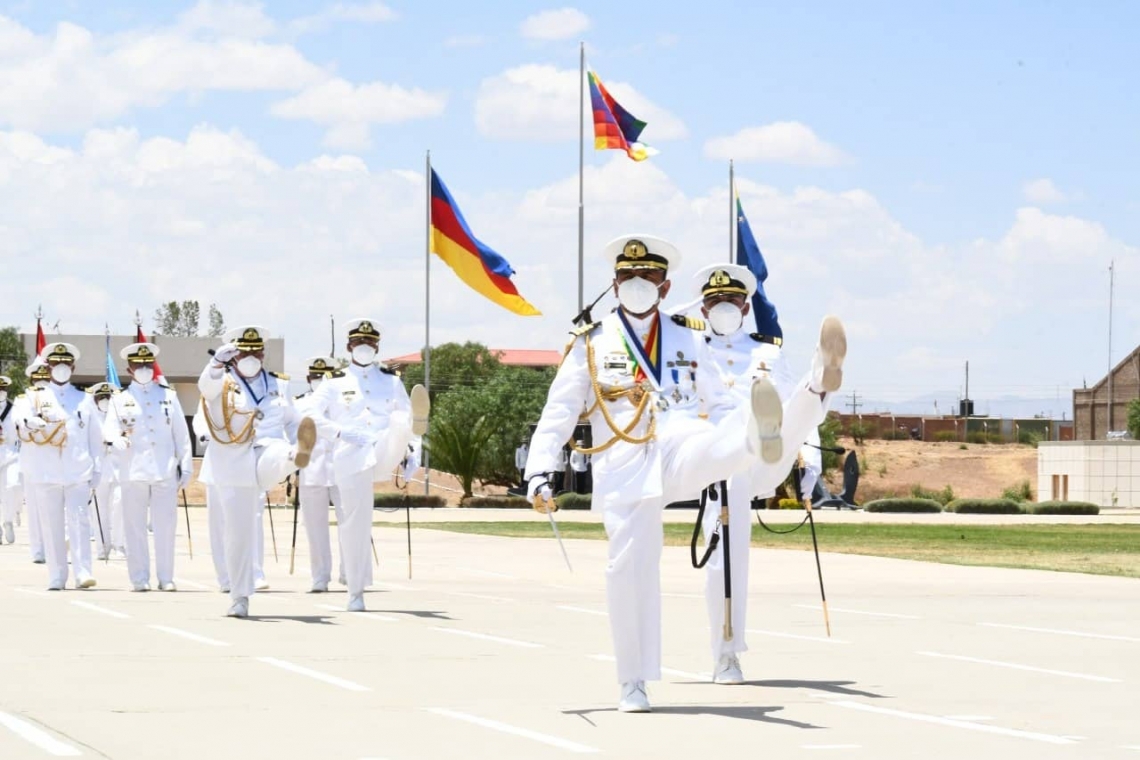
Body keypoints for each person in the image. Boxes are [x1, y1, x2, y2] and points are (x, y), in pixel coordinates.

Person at [524, 234, 845, 713]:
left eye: (647, 277)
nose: (638, 285)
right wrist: (538, 471)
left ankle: (781, 414)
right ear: (614, 285)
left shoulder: (689, 336)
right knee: (628, 569)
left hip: (678, 443)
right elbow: (559, 412)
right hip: (626, 460)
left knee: (726, 441)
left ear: (665, 285)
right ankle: (632, 681)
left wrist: (734, 433)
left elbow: (716, 403)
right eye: (629, 278)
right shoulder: (590, 344)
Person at [686, 263, 842, 684]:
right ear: (703, 305)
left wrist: (811, 463)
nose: (724, 307)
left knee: (794, 405)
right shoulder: (690, 350)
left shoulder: (768, 352)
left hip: (766, 459)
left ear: (746, 304)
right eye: (715, 301)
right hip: (719, 461)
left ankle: (820, 379)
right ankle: (726, 655)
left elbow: (800, 423)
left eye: (732, 300)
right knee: (726, 557)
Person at [309, 318, 428, 612]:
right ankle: (355, 590)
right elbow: (312, 416)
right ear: (350, 347)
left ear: (377, 347)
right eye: (360, 343)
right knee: (356, 523)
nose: (365, 347)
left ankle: (406, 444)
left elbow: (405, 414)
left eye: (370, 343)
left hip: (383, 446)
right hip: (351, 453)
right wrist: (339, 431)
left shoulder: (391, 380)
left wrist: (413, 451)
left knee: (402, 420)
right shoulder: (334, 381)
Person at [198, 326, 317, 618]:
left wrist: (298, 437)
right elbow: (205, 388)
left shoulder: (280, 385)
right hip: (233, 460)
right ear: (234, 354)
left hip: (267, 449)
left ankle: (294, 456)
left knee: (280, 455)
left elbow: (292, 420)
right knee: (238, 534)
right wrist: (214, 364)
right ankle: (239, 597)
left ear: (263, 353)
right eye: (244, 351)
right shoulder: (221, 381)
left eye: (256, 351)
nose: (251, 356)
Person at [104, 343, 192, 592]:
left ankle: (166, 577)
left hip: (164, 470)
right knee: (135, 528)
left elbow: (180, 434)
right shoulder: (119, 400)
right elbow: (108, 428)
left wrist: (186, 466)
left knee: (165, 528)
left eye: (147, 364)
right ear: (129, 369)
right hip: (132, 470)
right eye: (138, 365)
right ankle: (139, 577)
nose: (143, 368)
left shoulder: (168, 396)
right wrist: (115, 439)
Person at [18, 343, 103, 590]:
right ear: (49, 367)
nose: (61, 368)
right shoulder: (34, 397)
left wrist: (97, 470)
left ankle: (83, 572)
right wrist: (29, 422)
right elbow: (19, 422)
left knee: (80, 522)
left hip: (77, 471)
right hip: (46, 472)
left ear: (73, 367)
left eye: (66, 364)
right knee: (51, 524)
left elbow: (95, 439)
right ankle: (56, 575)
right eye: (56, 364)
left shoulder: (85, 399)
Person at [292, 356, 345, 593]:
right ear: (307, 379)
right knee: (314, 527)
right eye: (315, 377)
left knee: (350, 523)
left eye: (323, 377)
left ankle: (350, 572)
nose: (319, 381)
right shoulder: (298, 404)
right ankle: (320, 577)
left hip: (342, 468)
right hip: (311, 469)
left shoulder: (343, 401)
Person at [86, 382, 122, 561]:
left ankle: (120, 544)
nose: (105, 400)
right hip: (99, 469)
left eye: (108, 397)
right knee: (99, 509)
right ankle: (102, 547)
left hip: (120, 467)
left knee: (119, 505)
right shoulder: (91, 418)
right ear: (95, 399)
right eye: (101, 397)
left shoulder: (121, 416)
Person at [0, 375, 21, 546]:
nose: (1, 391)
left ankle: (8, 520)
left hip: (11, 453)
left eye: (3, 389)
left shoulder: (16, 409)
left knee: (14, 487)